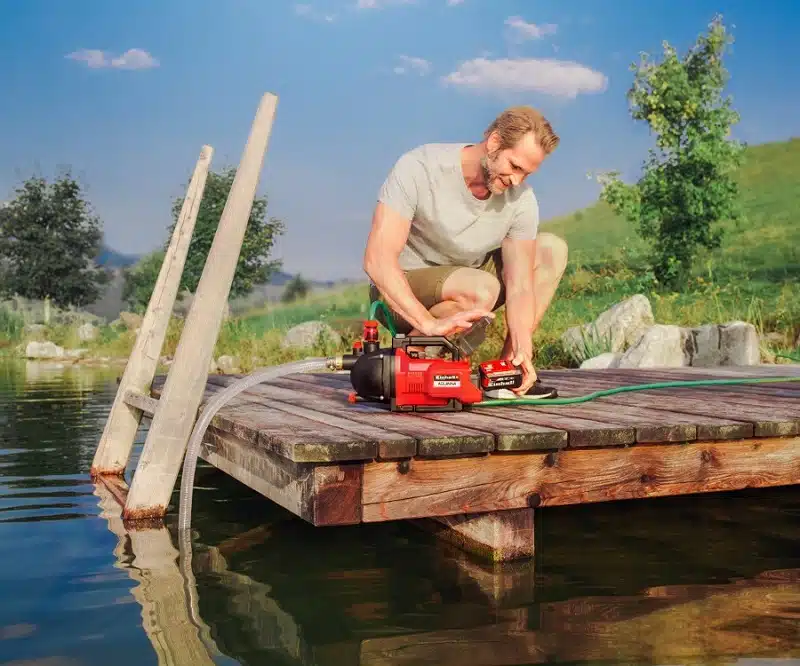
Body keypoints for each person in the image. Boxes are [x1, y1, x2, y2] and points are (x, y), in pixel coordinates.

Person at [363, 105, 568, 397]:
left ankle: (510, 374)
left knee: (552, 249)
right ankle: (406, 365)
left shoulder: (520, 199)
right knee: (480, 288)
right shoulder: (421, 167)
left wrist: (523, 343)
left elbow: (520, 284)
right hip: (402, 289)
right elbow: (377, 259)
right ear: (494, 142)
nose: (517, 180)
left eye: (527, 173)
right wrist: (427, 324)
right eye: (515, 166)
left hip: (467, 283)